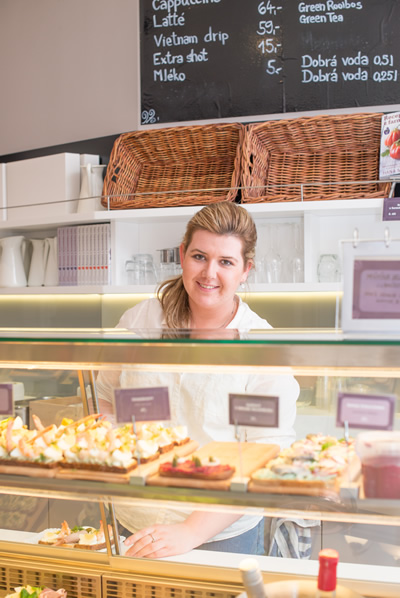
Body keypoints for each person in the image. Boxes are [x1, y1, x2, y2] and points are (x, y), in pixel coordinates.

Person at [95, 201, 299, 558]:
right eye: (200, 256)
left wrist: (190, 530)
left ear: (245, 269)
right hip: (132, 517)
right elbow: (105, 397)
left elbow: (267, 452)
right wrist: (114, 440)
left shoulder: (262, 345)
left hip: (220, 534)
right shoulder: (142, 319)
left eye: (226, 262)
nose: (209, 273)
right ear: (182, 254)